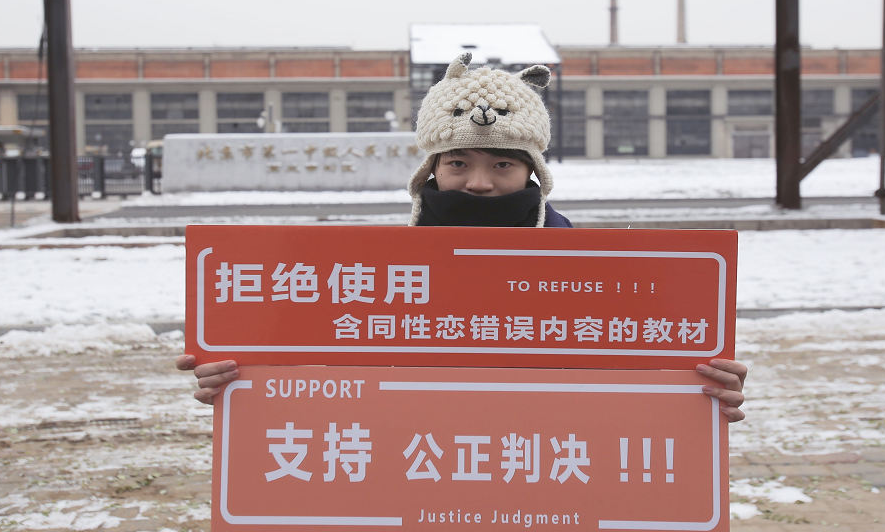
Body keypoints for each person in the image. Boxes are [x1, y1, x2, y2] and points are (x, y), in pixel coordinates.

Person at [175, 53, 747, 422]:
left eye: (502, 165)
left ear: (533, 174)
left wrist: (700, 394)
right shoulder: (370, 280)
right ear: (431, 171)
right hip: (420, 479)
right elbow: (320, 379)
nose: (477, 182)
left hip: (550, 482)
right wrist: (241, 381)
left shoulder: (599, 279)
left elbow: (637, 394)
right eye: (457, 163)